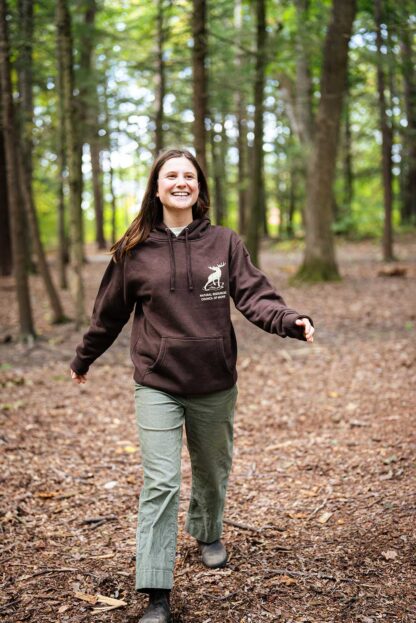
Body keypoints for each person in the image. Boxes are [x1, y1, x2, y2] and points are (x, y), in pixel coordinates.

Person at [70, 148, 314, 623]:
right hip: (157, 381)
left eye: (189, 176)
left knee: (211, 467)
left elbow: (254, 295)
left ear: (199, 187)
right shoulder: (133, 249)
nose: (180, 182)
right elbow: (109, 314)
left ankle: (207, 530)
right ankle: (157, 592)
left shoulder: (223, 242)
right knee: (160, 483)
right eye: (171, 176)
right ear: (156, 187)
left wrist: (289, 320)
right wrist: (84, 358)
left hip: (214, 379)